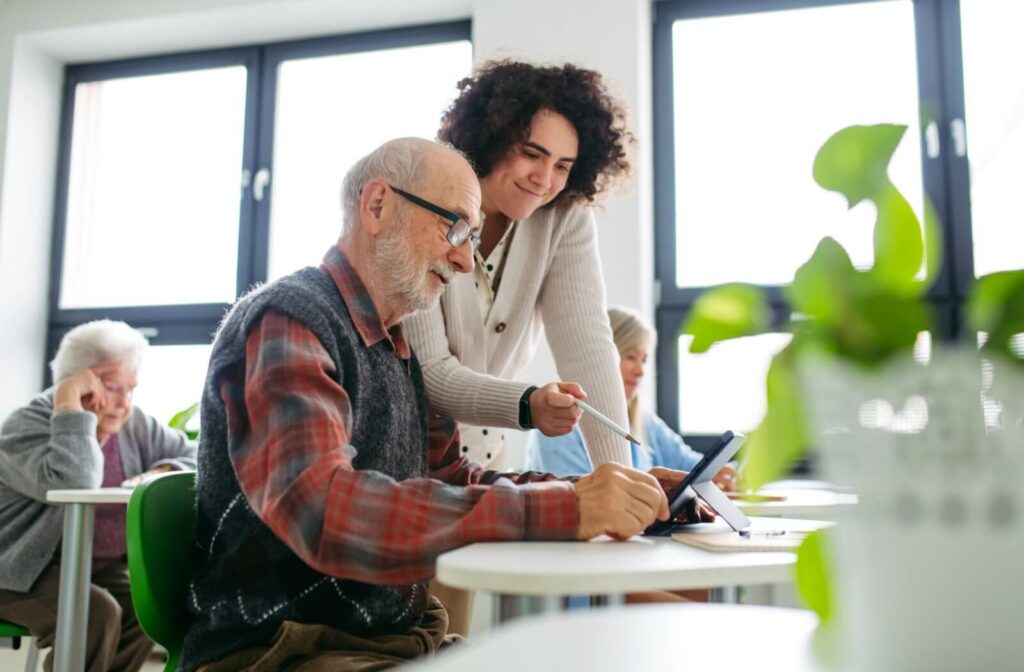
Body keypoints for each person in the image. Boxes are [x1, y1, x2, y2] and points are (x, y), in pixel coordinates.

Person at [179, 138, 709, 672]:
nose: (464, 259)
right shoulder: (289, 319)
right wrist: (570, 509)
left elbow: (454, 480)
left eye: (473, 237)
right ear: (378, 205)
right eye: (454, 227)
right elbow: (324, 510)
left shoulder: (397, 349)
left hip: (388, 641)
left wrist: (598, 495)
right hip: (282, 651)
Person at [404, 60, 635, 470]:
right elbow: (430, 374)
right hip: (404, 450)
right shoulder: (426, 201)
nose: (544, 180)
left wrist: (620, 475)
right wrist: (529, 403)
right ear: (492, 138)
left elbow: (588, 347)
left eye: (563, 166)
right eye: (532, 154)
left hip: (488, 455)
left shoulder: (564, 217)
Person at [0, 319, 199, 672]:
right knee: (92, 614)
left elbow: (198, 453)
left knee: (150, 604)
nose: (124, 403)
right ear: (79, 381)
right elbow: (74, 480)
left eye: (130, 389)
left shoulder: (135, 424)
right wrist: (70, 407)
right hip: (17, 571)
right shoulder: (26, 425)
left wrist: (165, 468)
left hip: (94, 568)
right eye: (113, 387)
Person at [525, 307, 739, 491]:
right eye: (630, 357)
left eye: (644, 360)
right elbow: (578, 496)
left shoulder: (645, 422)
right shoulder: (561, 423)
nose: (640, 371)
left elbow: (688, 463)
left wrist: (717, 473)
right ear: (603, 358)